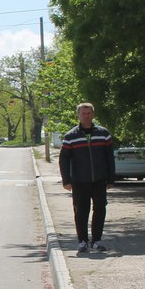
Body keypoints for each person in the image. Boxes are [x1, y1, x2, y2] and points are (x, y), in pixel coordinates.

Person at [59, 102, 116, 252]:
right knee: (81, 211)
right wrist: (66, 180)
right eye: (83, 113)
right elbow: (63, 159)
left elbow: (109, 157)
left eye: (89, 113)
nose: (86, 116)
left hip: (99, 180)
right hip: (79, 181)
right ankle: (82, 241)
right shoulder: (71, 136)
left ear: (93, 114)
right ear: (78, 115)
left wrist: (111, 178)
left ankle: (96, 240)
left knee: (100, 210)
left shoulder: (103, 134)